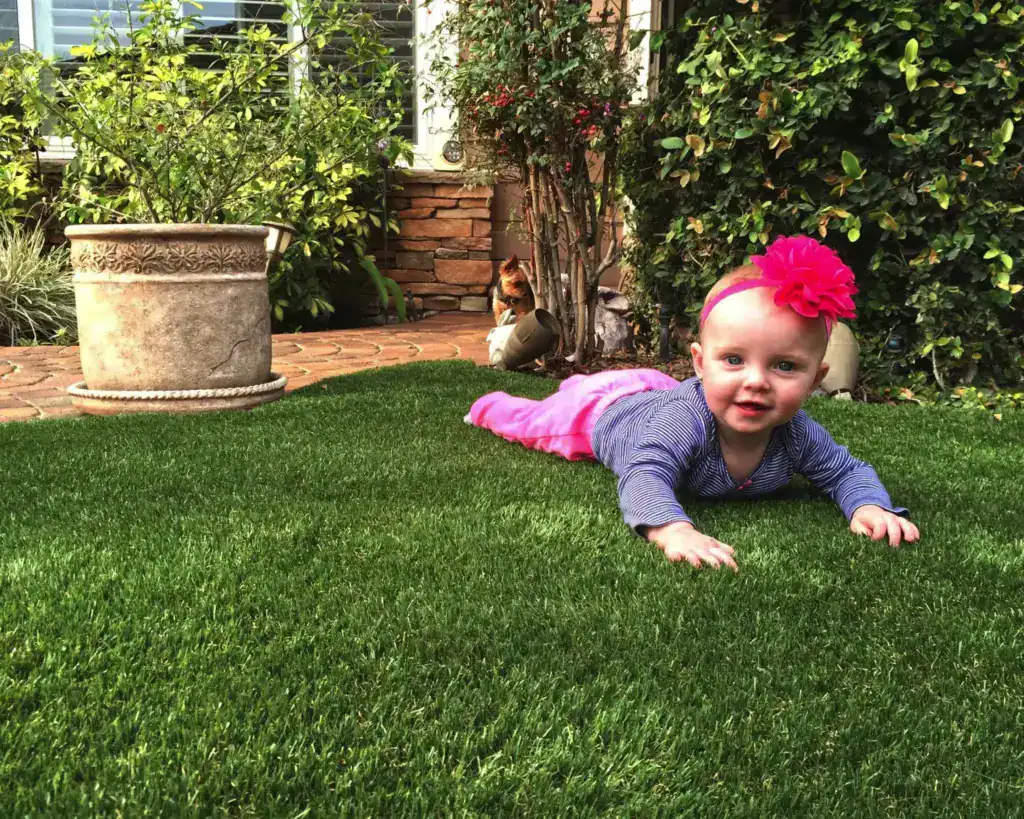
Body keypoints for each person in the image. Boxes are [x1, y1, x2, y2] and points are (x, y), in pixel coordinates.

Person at [465, 236, 920, 571]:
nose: (756, 382)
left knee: (647, 394)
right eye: (734, 360)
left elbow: (845, 470)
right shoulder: (686, 422)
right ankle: (490, 405)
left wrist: (869, 506)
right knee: (537, 422)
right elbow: (644, 473)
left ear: (815, 379)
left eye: (784, 366)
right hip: (604, 411)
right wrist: (672, 528)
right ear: (701, 363)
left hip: (657, 391)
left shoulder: (796, 432)